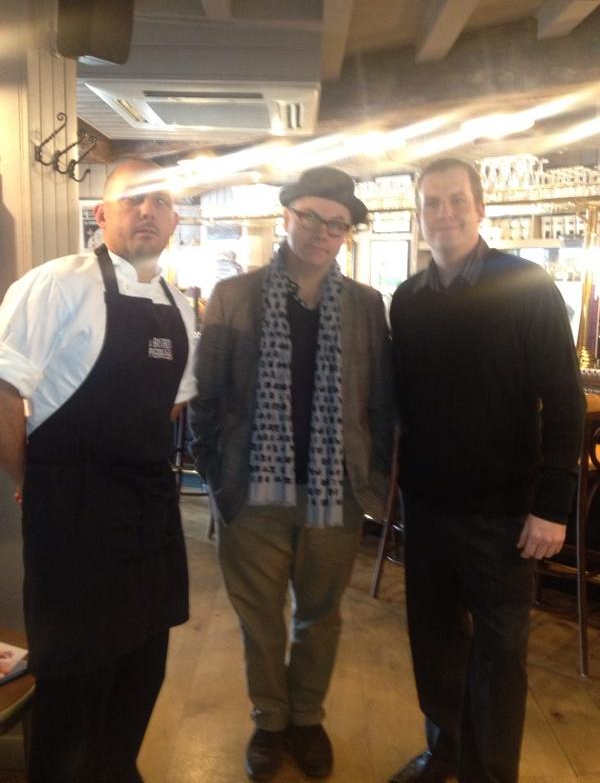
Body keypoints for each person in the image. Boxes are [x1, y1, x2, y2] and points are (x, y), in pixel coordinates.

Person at [189, 166, 394, 781]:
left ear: (347, 234)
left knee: (321, 614)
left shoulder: (365, 305)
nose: (322, 232)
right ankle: (269, 719)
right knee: (259, 616)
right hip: (252, 490)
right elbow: (209, 395)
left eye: (336, 224)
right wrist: (215, 473)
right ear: (287, 217)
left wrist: (374, 477)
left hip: (335, 491)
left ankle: (307, 717)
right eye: (311, 217)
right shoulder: (235, 294)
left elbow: (380, 405)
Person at [388, 157, 585, 783]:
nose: (444, 213)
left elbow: (565, 398)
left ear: (481, 208)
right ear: (419, 218)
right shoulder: (408, 300)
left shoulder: (526, 285)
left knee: (500, 656)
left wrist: (554, 505)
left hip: (504, 514)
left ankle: (489, 774)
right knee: (436, 644)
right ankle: (446, 751)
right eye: (432, 204)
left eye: (455, 200)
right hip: (427, 506)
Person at [0, 159, 196, 783]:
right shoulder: (55, 284)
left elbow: (170, 404)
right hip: (73, 509)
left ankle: (116, 769)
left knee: (144, 663)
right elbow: (4, 394)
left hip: (148, 508)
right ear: (102, 213)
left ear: (175, 220)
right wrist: (33, 480)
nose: (147, 212)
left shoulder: (178, 306)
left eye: (160, 202)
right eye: (132, 201)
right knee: (73, 680)